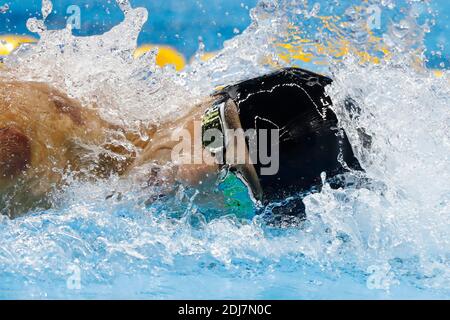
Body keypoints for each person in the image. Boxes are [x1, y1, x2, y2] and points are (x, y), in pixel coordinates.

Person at [0, 67, 361, 218]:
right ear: (205, 103)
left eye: (235, 186)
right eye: (213, 136)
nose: (196, 170)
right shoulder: (29, 137)